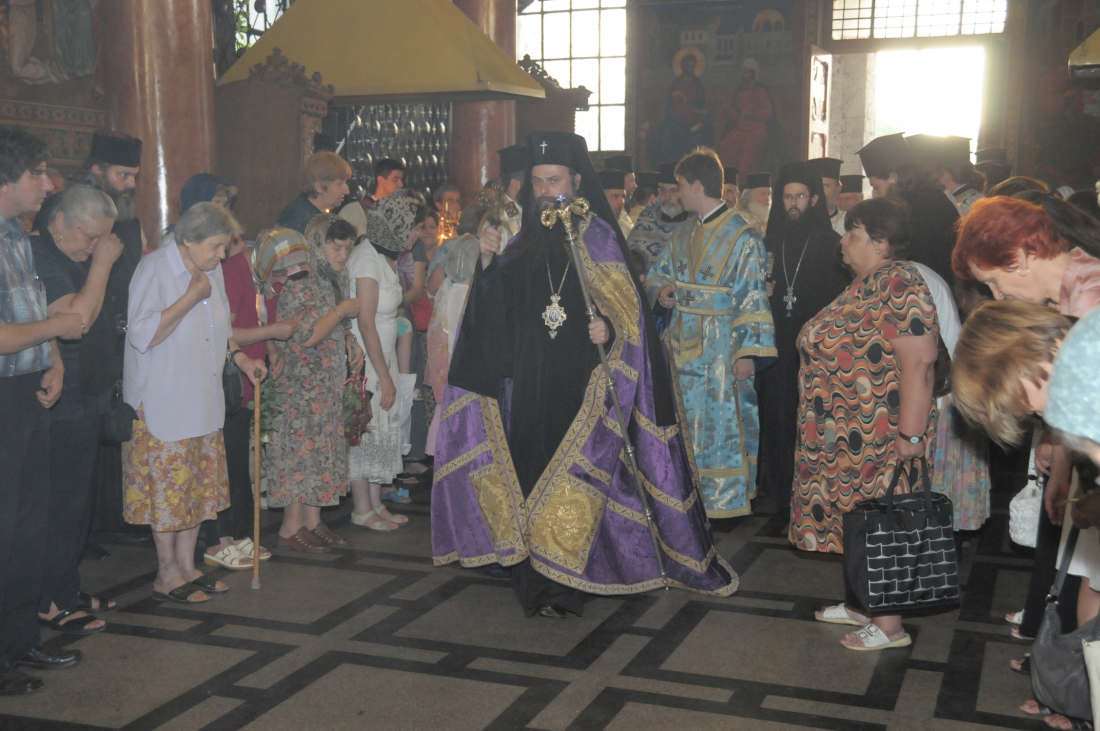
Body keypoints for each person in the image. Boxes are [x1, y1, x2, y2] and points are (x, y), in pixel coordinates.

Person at [434, 131, 739, 618]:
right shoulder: (523, 240)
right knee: (529, 472)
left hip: (583, 381)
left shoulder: (597, 236)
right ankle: (533, 577)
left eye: (554, 180)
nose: (545, 191)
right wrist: (488, 261)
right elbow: (496, 310)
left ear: (575, 181)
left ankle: (566, 585)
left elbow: (630, 316)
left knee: (577, 480)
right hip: (530, 382)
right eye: (538, 182)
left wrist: (610, 328)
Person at [793, 197, 939, 651]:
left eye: (852, 233)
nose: (843, 241)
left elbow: (920, 363)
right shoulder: (867, 283)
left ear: (880, 242)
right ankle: (863, 604)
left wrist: (911, 435)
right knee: (858, 522)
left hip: (881, 432)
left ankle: (890, 625)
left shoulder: (900, 282)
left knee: (883, 523)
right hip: (848, 434)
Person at [122, 202, 266, 604]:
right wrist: (190, 297)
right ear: (188, 240)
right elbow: (143, 335)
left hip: (203, 397)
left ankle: (188, 566)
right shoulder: (154, 269)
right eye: (216, 246)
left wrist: (242, 359)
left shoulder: (211, 270)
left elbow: (220, 329)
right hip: (162, 398)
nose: (222, 255)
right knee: (168, 493)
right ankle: (166, 571)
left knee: (197, 489)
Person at [646, 147, 776, 518]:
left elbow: (752, 297)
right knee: (684, 419)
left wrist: (747, 353)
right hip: (681, 343)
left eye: (681, 186)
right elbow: (658, 273)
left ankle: (723, 499)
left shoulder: (743, 236)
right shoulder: (683, 231)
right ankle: (686, 494)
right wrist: (663, 290)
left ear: (697, 186)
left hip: (722, 345)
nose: (677, 194)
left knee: (722, 422)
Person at [0, 126, 83, 695]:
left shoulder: (16, 235)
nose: (49, 185)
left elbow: (28, 310)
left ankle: (19, 640)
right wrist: (55, 328)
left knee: (29, 523)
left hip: (26, 388)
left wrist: (52, 356)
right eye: (38, 173)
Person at [171, 174, 285, 570]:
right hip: (199, 377)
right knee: (215, 462)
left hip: (230, 369)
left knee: (234, 459)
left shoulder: (227, 260)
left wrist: (253, 352)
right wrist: (267, 336)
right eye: (216, 205)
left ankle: (236, 534)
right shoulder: (185, 261)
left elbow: (229, 321)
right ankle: (218, 538)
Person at [31, 185, 120, 637]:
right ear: (60, 222)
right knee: (59, 503)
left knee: (78, 503)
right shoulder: (41, 255)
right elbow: (77, 320)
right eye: (89, 236)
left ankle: (65, 586)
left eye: (103, 238)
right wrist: (102, 265)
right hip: (60, 400)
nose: (95, 246)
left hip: (88, 394)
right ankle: (48, 599)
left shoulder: (74, 252)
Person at [261, 219, 361, 552]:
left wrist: (349, 339)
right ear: (317, 245)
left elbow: (332, 326)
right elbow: (305, 335)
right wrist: (342, 311)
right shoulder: (300, 279)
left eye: (347, 248)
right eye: (336, 247)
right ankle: (291, 527)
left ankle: (314, 521)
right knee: (299, 455)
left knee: (320, 453)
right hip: (300, 386)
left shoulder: (332, 278)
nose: (343, 254)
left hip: (325, 383)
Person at [754, 161, 848, 517]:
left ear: (813, 200)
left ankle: (813, 495)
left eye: (800, 197)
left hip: (816, 351)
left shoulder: (832, 245)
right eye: (787, 197)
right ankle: (779, 494)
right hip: (777, 346)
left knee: (812, 421)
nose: (793, 204)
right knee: (777, 417)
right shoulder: (769, 242)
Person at [84, 131, 147, 546]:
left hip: (123, 334)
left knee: (118, 424)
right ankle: (90, 527)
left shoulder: (129, 221)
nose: (130, 184)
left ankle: (115, 518)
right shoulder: (75, 214)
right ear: (97, 170)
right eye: (123, 175)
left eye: (134, 176)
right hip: (88, 335)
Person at [347, 198, 408, 531]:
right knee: (367, 429)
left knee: (382, 428)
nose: (413, 235)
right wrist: (383, 377)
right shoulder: (366, 259)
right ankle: (361, 508)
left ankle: (375, 502)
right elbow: (366, 322)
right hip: (369, 360)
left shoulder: (383, 257)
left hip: (384, 355)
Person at [858, 132, 959, 289]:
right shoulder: (934, 198)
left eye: (876, 187)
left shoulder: (910, 210)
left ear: (893, 178)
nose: (875, 195)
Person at [627, 162, 690, 272]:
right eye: (662, 190)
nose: (667, 196)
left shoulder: (694, 220)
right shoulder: (647, 215)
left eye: (673, 190)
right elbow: (633, 251)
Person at [277, 151, 352, 234]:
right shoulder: (299, 221)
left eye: (345, 183)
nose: (347, 191)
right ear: (319, 187)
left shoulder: (313, 215)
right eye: (339, 184)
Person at [808, 157, 845, 236]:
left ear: (838, 188)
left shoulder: (847, 222)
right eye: (816, 186)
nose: (820, 191)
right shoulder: (803, 221)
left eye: (825, 186)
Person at [599, 169, 632, 237]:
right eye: (615, 196)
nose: (621, 202)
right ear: (602, 198)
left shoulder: (625, 224)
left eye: (623, 196)